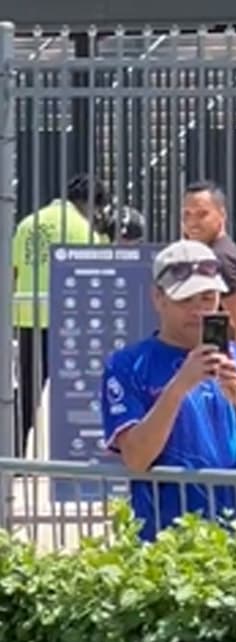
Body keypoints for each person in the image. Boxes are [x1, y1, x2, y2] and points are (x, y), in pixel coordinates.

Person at [100, 240, 236, 540]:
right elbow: (136, 459)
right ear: (158, 298)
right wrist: (178, 388)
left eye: (208, 296)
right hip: (164, 542)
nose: (199, 309)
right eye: (185, 299)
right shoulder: (127, 365)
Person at [11, 173, 111, 457]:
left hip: (28, 317)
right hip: (72, 322)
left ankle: (15, 454)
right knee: (81, 395)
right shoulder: (85, 230)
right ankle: (80, 457)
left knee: (27, 395)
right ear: (93, 204)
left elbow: (14, 272)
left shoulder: (27, 223)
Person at [181, 180, 236, 347]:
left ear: (222, 215)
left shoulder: (222, 257)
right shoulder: (208, 254)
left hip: (225, 362)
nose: (193, 222)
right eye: (187, 214)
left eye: (202, 214)